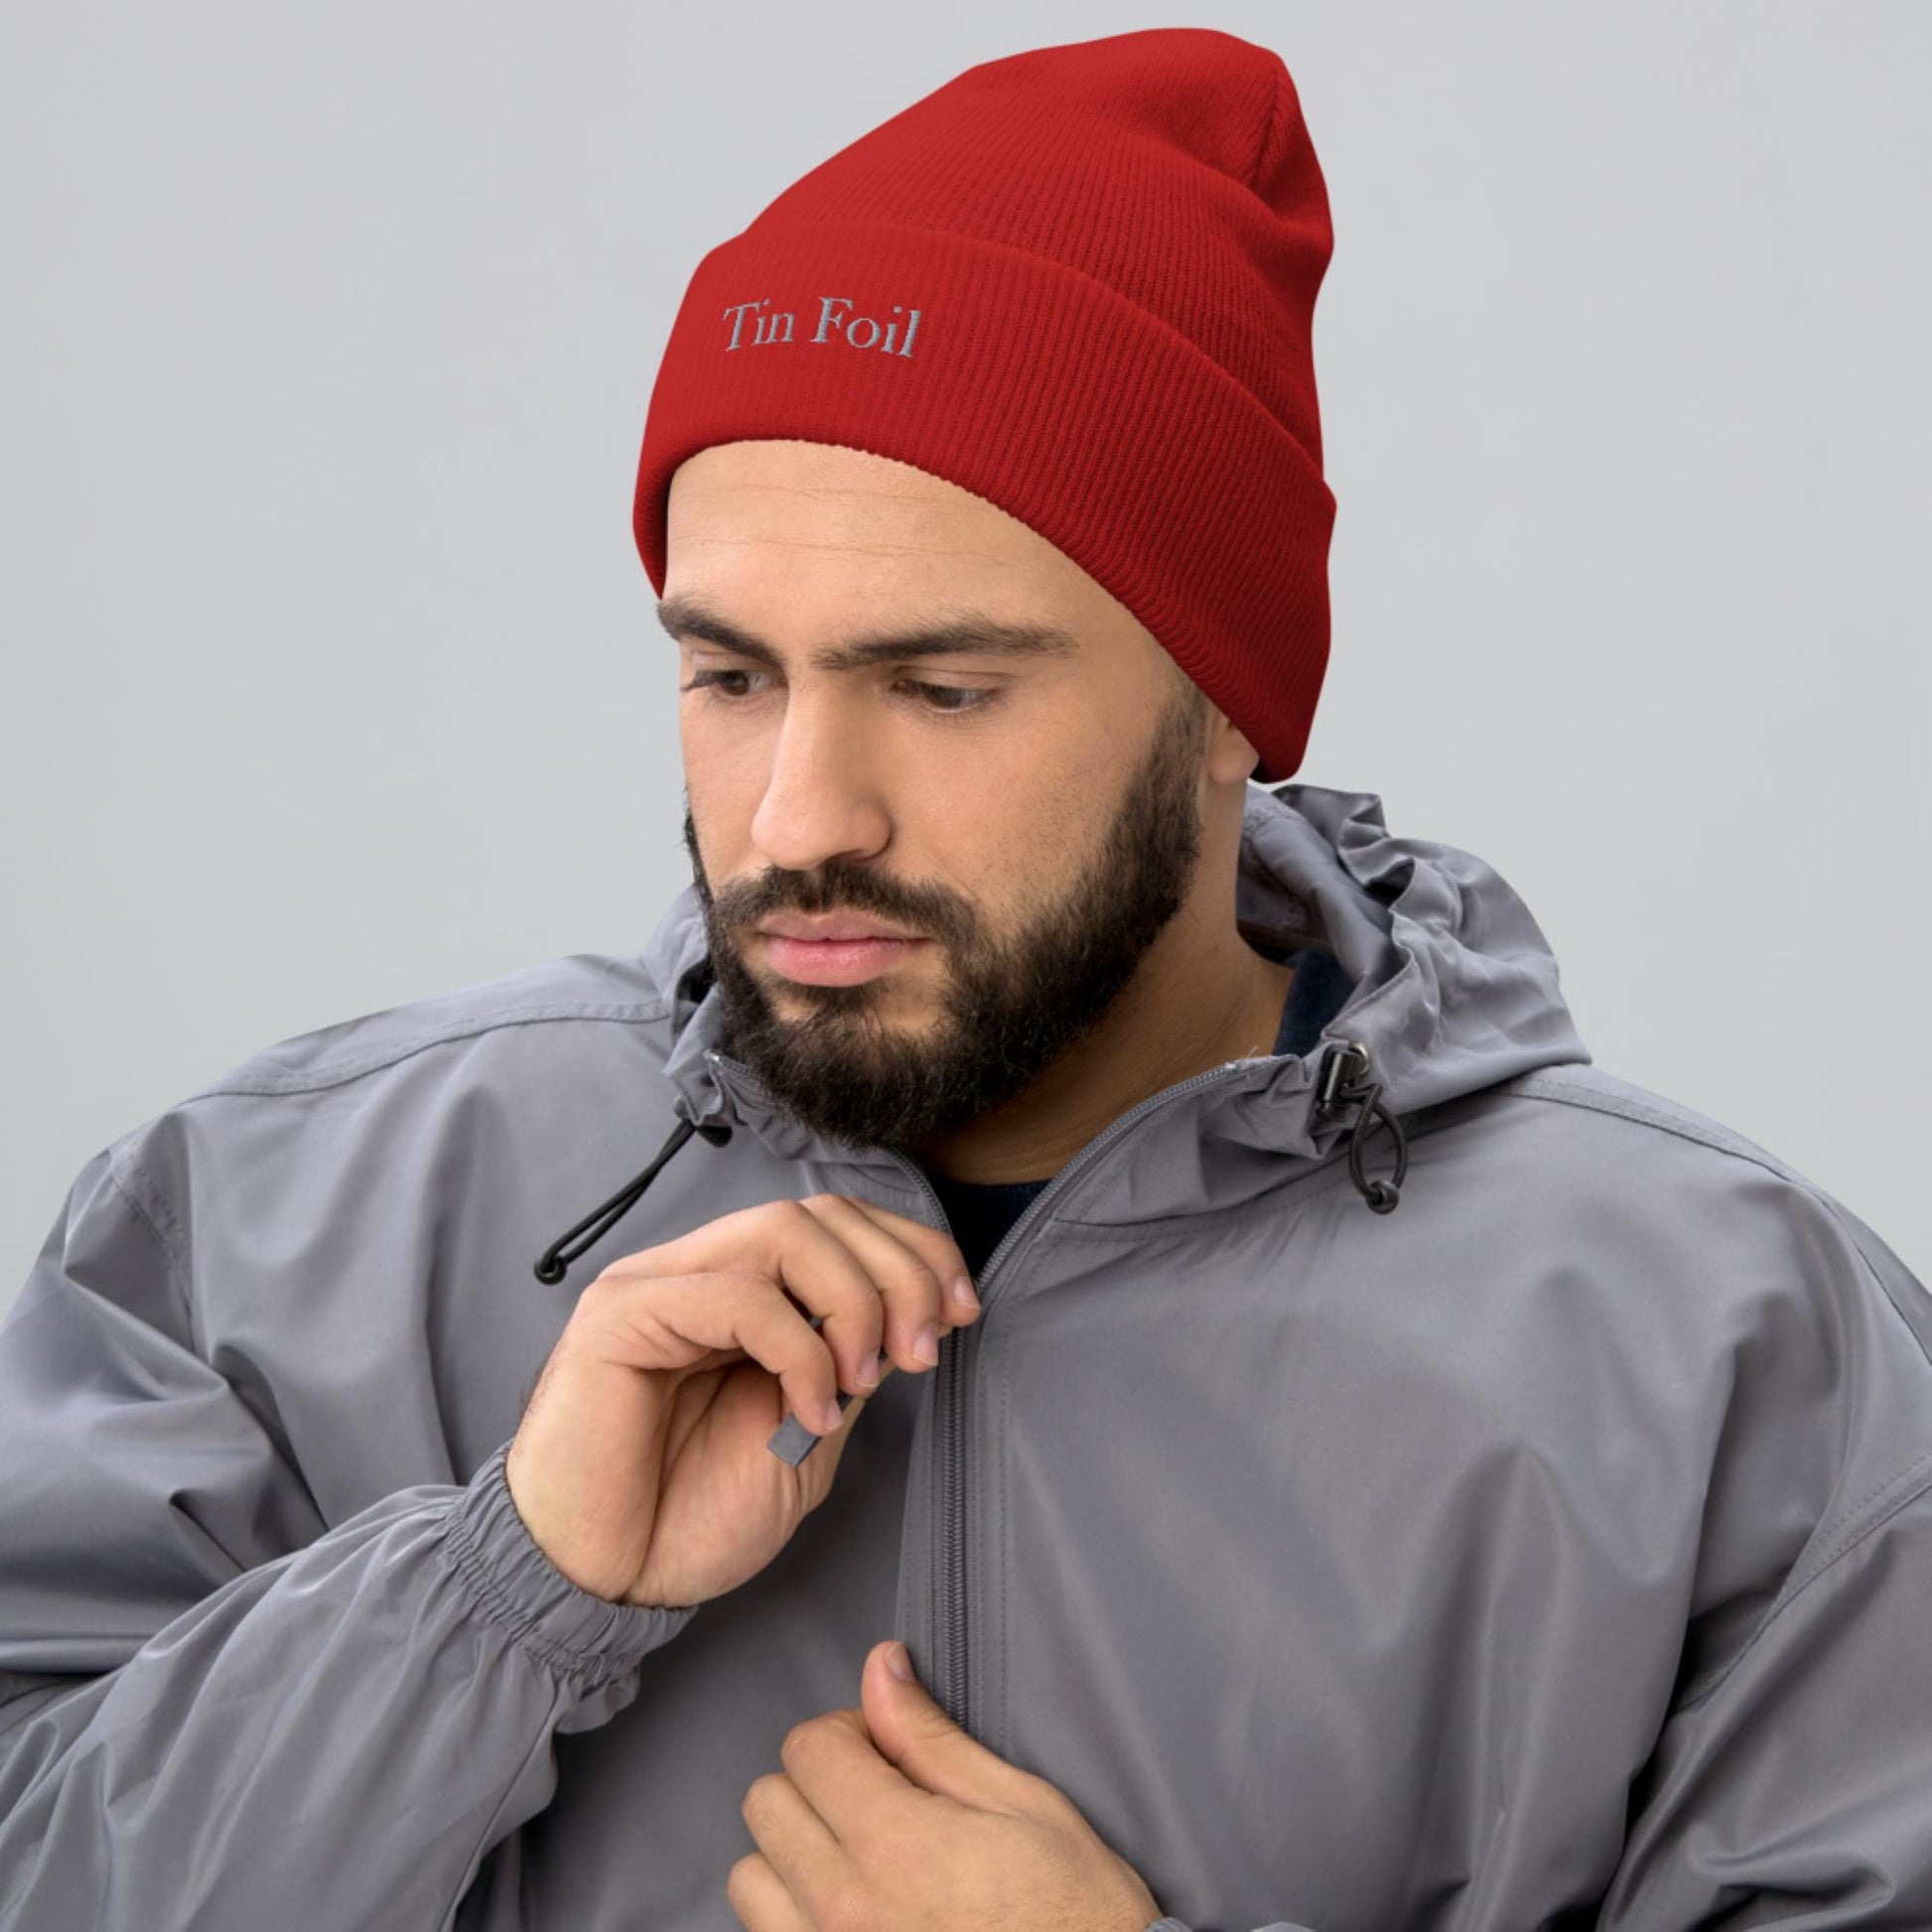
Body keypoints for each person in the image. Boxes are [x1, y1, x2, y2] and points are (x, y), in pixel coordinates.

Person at [3, 24, 1929, 1932]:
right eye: (730, 675)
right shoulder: (276, 1226)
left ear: (1221, 707)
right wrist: (500, 1591)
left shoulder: (1732, 1357)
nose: (796, 815)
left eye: (941, 688)